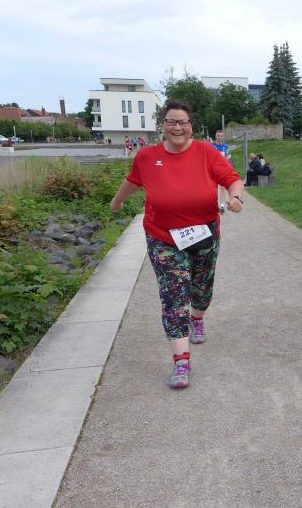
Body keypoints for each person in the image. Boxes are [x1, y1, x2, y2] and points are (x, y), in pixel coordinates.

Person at [109, 101, 244, 389]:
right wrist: (117, 201)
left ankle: (198, 316)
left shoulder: (206, 152)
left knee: (201, 288)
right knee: (173, 296)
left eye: (182, 122)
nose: (177, 127)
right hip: (163, 237)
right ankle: (181, 360)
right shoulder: (147, 156)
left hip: (204, 233)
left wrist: (236, 197)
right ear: (163, 125)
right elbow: (133, 181)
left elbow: (232, 179)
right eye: (171, 121)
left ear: (191, 126)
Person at [211, 130, 231, 212]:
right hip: (213, 170)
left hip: (222, 170)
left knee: (222, 188)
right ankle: (214, 205)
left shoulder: (225, 147)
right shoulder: (211, 146)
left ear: (223, 137)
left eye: (221, 136)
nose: (219, 137)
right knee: (213, 188)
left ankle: (222, 206)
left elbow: (227, 158)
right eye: (218, 136)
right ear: (216, 136)